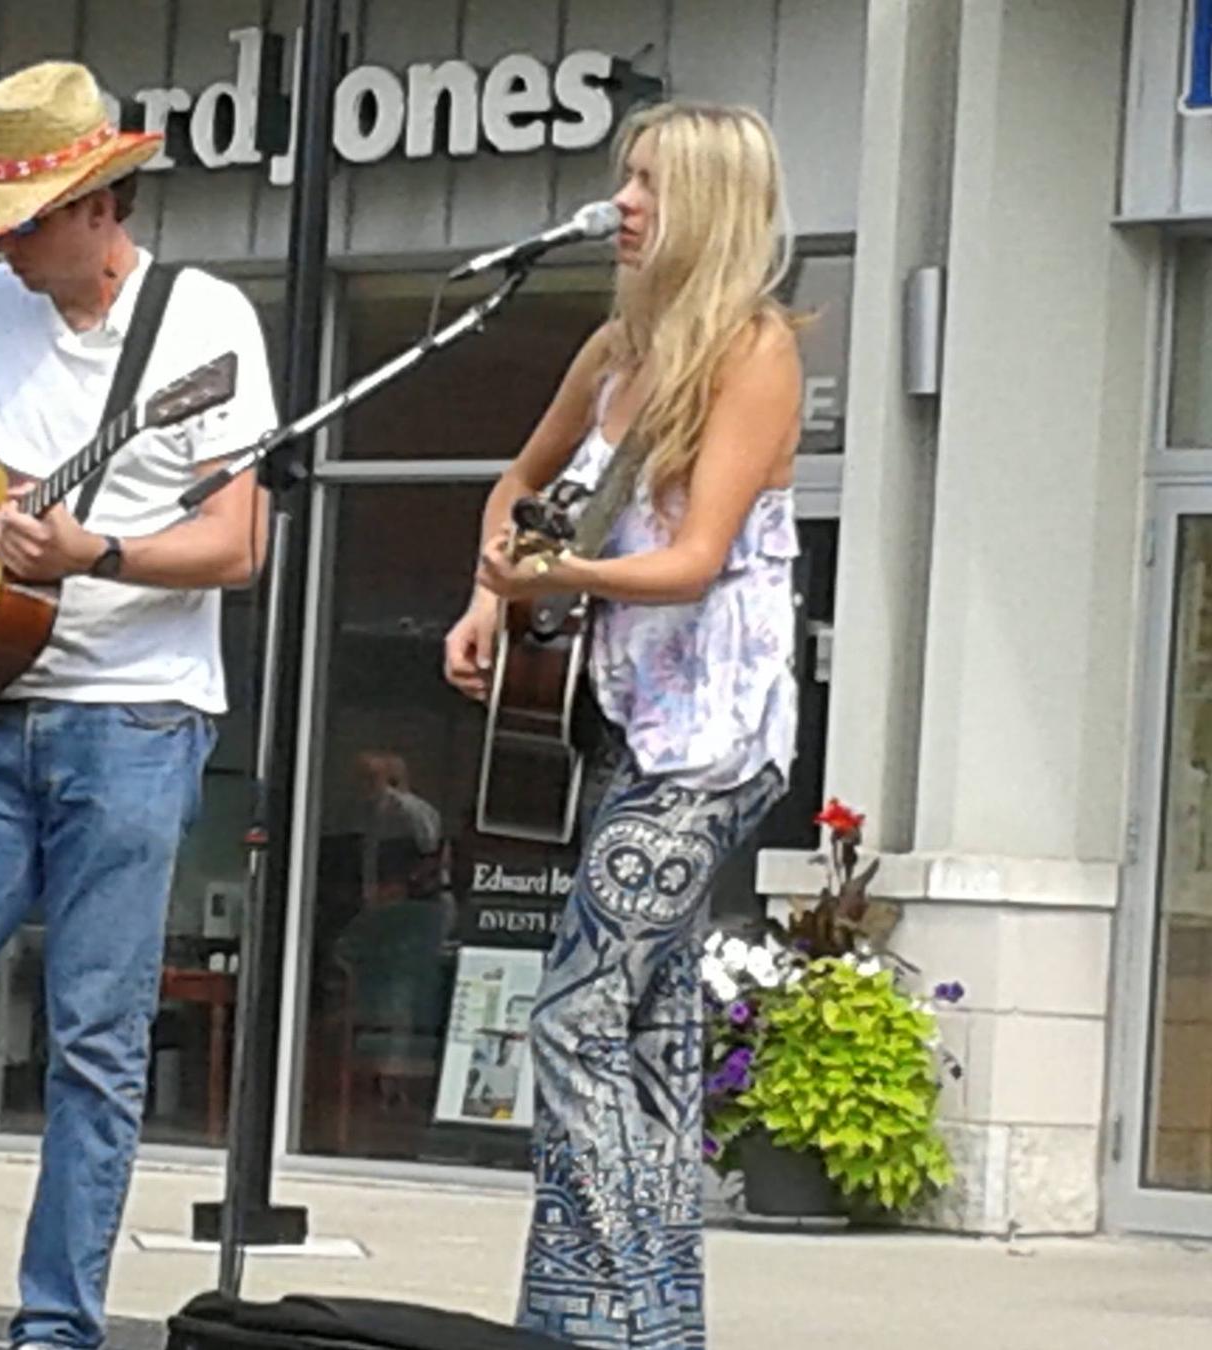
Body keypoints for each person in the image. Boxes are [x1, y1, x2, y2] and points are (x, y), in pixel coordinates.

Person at [0, 61, 277, 1350]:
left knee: (91, 1041)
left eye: (24, 220)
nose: (5, 245)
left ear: (98, 206)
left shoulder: (204, 327)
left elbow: (240, 543)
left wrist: (101, 558)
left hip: (135, 719)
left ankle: (56, 1330)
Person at [443, 101, 802, 1349]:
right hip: (619, 727)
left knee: (574, 1016)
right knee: (647, 1032)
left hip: (709, 746)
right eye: (624, 179)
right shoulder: (610, 352)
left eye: (647, 182)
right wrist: (492, 585)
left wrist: (561, 583)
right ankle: (629, 1320)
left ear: (706, 201)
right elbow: (521, 482)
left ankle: (612, 1320)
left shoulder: (751, 354)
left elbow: (695, 562)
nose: (624, 202)